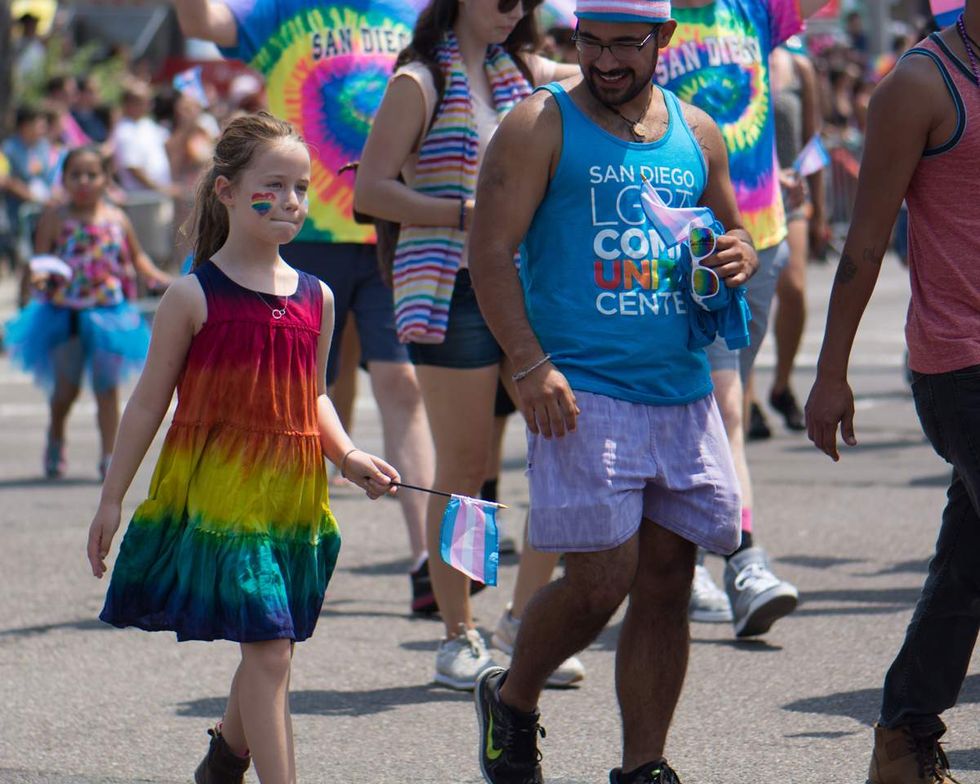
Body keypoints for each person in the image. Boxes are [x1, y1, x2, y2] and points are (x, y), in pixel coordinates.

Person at [468, 2, 756, 780]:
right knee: (601, 579)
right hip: (579, 389)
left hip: (681, 389)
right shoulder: (539, 124)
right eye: (589, 43)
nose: (603, 61)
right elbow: (489, 252)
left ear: (663, 40)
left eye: (624, 45)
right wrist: (529, 364)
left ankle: (643, 766)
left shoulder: (697, 131)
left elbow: (733, 233)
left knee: (667, 577)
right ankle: (515, 698)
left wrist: (738, 255)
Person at [86, 113, 400, 784]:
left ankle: (225, 760)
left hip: (290, 499)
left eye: (301, 188)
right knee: (271, 650)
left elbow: (312, 397)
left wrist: (348, 457)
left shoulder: (317, 297)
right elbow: (147, 402)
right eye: (273, 186)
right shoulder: (192, 296)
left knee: (271, 639)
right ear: (226, 191)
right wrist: (112, 498)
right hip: (223, 501)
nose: (290, 202)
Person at [175, 0, 436, 614]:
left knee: (402, 385)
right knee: (299, 396)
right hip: (302, 240)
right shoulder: (279, 9)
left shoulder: (418, 13)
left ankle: (425, 559)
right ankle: (278, 547)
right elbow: (198, 24)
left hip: (384, 231)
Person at [355, 0, 583, 691]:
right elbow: (370, 190)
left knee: (565, 447)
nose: (514, 8)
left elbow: (609, 68)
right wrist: (465, 215)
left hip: (522, 291)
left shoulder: (527, 70)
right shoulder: (418, 81)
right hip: (449, 288)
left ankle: (522, 620)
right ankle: (460, 634)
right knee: (466, 468)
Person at [805, 8, 980, 783]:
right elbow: (867, 239)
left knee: (969, 560)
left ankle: (903, 737)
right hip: (962, 363)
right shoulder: (918, 85)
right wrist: (831, 370)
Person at [654, 0, 833, 636]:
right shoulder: (648, 13)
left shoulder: (758, 8)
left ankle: (697, 551)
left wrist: (799, 165)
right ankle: (742, 560)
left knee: (720, 406)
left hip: (760, 231)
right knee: (722, 408)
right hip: (680, 244)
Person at [3, 146, 171, 478]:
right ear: (63, 179)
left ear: (106, 179)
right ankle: (55, 434)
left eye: (92, 174)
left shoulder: (117, 218)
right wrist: (37, 278)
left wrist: (161, 278)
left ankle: (109, 456)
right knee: (66, 389)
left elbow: (137, 258)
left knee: (107, 389)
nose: (84, 181)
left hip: (109, 314)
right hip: (63, 314)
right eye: (75, 174)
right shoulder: (56, 218)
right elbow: (39, 258)